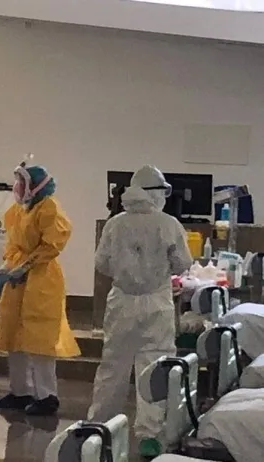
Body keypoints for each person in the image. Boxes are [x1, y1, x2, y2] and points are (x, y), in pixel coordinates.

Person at [87, 165, 192, 456]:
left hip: (121, 301)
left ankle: (99, 426)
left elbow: (102, 263)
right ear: (157, 193)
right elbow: (182, 263)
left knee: (113, 365)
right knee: (153, 367)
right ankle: (150, 435)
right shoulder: (168, 224)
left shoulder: (115, 224)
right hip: (156, 302)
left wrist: (128, 273)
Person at [0, 163, 80, 416]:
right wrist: (7, 267)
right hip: (17, 279)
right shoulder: (19, 211)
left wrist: (26, 266)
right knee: (14, 335)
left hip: (42, 279)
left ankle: (46, 396)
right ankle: (20, 391)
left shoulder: (49, 208)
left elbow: (52, 245)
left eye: (22, 183)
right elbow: (13, 244)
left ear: (36, 186)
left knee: (40, 338)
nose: (17, 187)